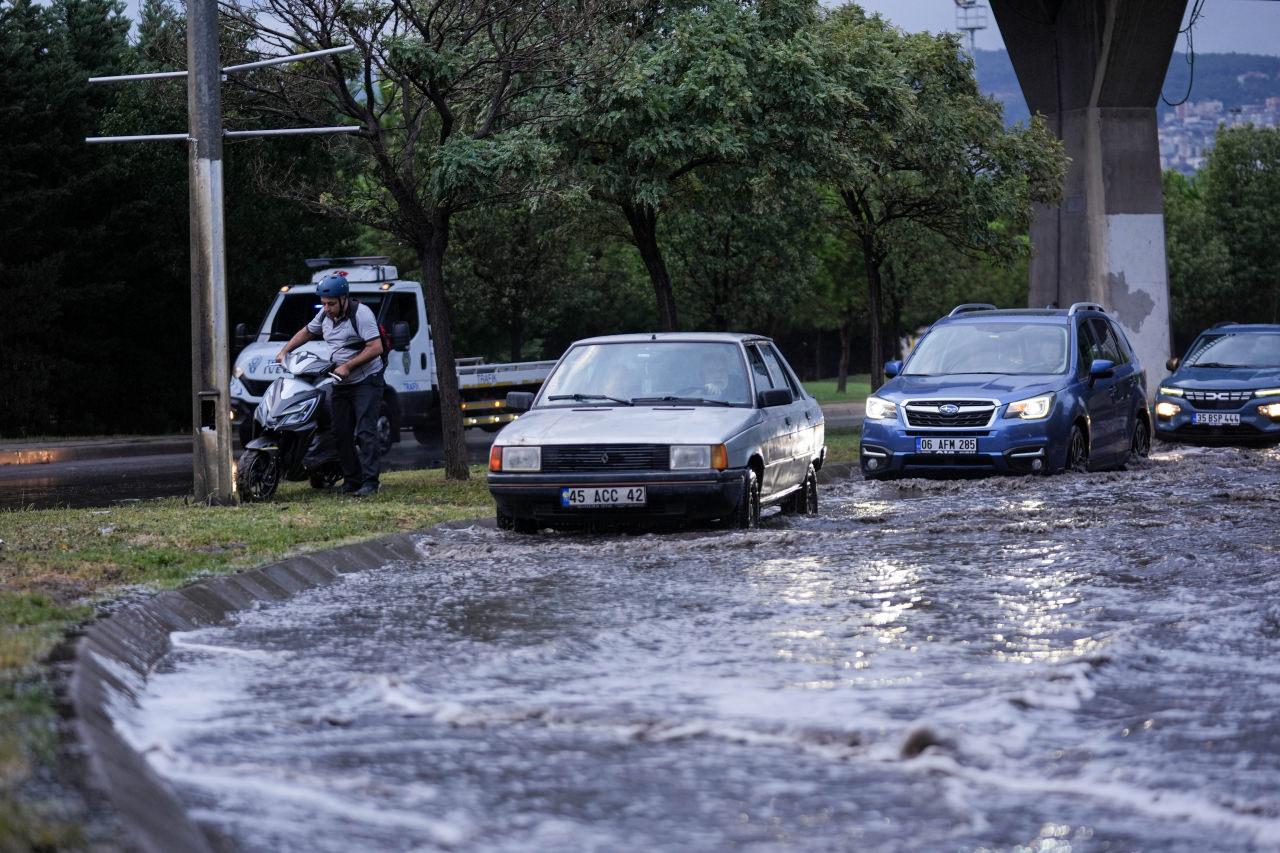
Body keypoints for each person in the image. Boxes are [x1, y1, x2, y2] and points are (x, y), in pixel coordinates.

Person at [276, 274, 385, 496]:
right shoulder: (325, 315)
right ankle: (352, 481)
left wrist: (348, 366)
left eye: (331, 304)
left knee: (365, 431)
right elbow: (307, 332)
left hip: (366, 381)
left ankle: (371, 483)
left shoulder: (361, 314)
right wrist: (285, 351)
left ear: (344, 298)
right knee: (340, 433)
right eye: (324, 304)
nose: (326, 308)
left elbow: (376, 348)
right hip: (341, 382)